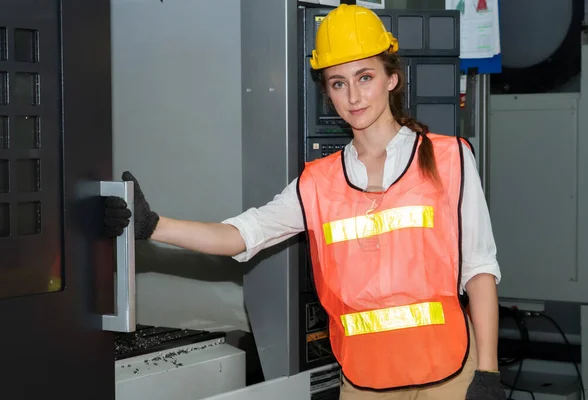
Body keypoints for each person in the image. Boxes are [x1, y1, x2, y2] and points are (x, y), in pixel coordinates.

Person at [103, 4, 505, 399]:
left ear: (391, 79)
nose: (353, 95)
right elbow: (241, 235)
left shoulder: (450, 157)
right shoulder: (318, 182)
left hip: (450, 374)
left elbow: (480, 269)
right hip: (365, 381)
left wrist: (487, 372)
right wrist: (154, 225)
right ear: (327, 93)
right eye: (338, 83)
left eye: (365, 77)